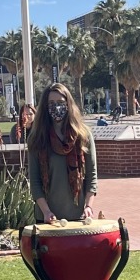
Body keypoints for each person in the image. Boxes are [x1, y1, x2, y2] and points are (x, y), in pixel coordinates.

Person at [27, 83, 97, 223]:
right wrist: (46, 212)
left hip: (78, 216)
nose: (56, 107)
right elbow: (35, 181)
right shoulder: (37, 138)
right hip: (47, 218)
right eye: (51, 103)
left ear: (68, 104)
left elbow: (91, 175)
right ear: (45, 107)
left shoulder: (83, 136)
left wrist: (88, 206)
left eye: (60, 103)